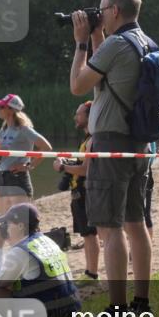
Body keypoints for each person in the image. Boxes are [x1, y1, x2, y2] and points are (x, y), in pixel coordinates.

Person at [69, 0, 154, 316]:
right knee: (136, 222)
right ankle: (141, 302)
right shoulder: (143, 42)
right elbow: (107, 78)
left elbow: (79, 86)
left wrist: (80, 42)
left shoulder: (117, 44)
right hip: (138, 144)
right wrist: (94, 35)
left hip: (110, 143)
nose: (98, 12)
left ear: (114, 11)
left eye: (101, 8)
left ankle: (117, 307)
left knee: (110, 227)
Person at [0, 203, 81, 317]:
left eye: (8, 224)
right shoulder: (48, 241)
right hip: (72, 310)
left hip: (50, 316)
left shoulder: (20, 251)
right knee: (16, 282)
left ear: (21, 226)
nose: (6, 228)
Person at [54, 101, 99, 281]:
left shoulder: (93, 140)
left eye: (79, 114)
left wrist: (63, 167)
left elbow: (86, 169)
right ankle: (90, 271)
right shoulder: (87, 139)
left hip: (87, 192)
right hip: (79, 193)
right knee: (87, 234)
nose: (75, 117)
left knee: (90, 234)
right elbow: (82, 164)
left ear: (89, 117)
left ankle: (92, 273)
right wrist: (69, 162)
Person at [0, 94, 52, 213]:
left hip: (17, 178)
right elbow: (2, 159)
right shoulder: (3, 130)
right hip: (3, 176)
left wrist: (29, 166)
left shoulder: (23, 128)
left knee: (20, 221)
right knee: (5, 220)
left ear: (11, 109)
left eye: (1, 106)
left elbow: (46, 147)